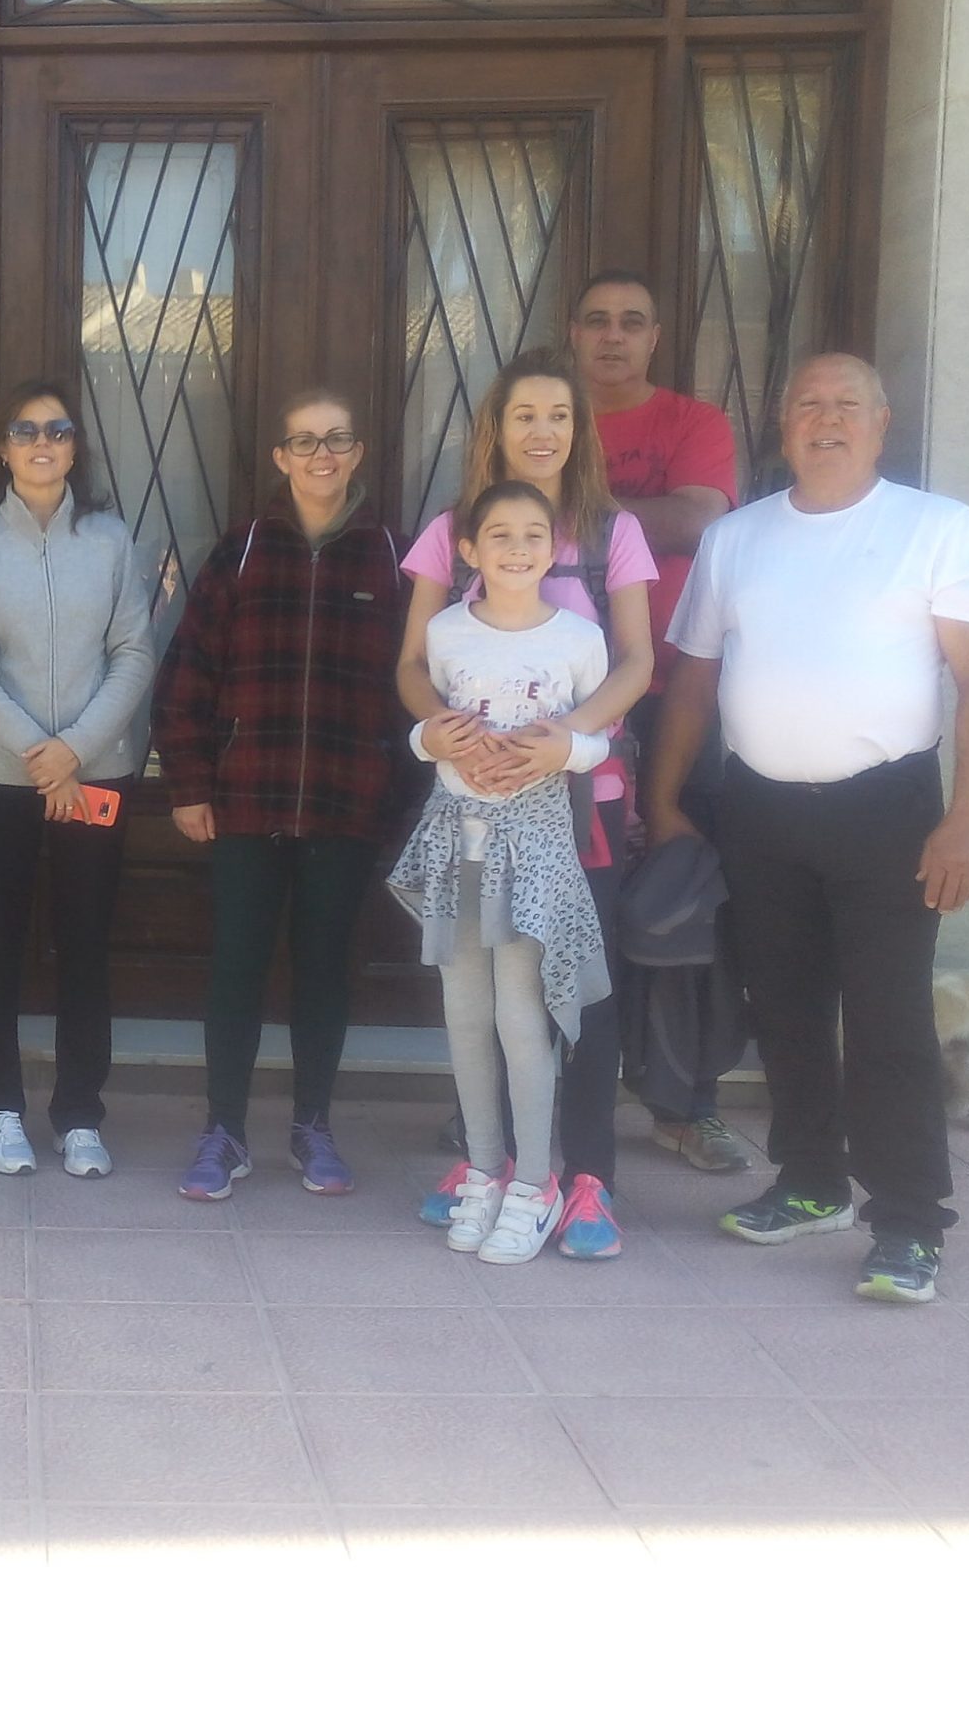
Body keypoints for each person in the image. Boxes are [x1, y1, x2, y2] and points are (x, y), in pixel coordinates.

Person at [647, 353, 969, 1306]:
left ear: (882, 423)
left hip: (888, 813)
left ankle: (909, 1222)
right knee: (785, 1008)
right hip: (758, 809)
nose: (827, 418)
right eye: (807, 403)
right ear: (783, 424)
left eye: (848, 403)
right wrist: (663, 798)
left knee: (890, 1021)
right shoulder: (736, 537)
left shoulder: (935, 527)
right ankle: (811, 1183)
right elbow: (691, 682)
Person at [398, 344, 654, 1259]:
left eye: (559, 415)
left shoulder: (612, 530)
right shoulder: (452, 528)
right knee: (484, 988)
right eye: (524, 415)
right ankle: (494, 1165)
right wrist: (441, 728)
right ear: (495, 430)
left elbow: (637, 659)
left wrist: (563, 738)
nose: (542, 431)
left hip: (579, 798)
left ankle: (585, 1179)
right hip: (475, 797)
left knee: (571, 984)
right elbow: (415, 662)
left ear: (579, 430)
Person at [153, 389, 407, 1203]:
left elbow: (418, 687)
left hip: (347, 800)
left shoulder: (393, 558)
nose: (321, 455)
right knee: (237, 966)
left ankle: (312, 1125)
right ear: (281, 457)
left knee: (325, 968)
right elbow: (187, 676)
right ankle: (223, 1131)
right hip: (246, 799)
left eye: (336, 439)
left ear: (357, 452)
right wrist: (190, 783)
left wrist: (395, 791)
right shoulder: (242, 551)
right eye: (304, 441)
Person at [0, 381, 155, 1178]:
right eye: (26, 430)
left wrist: (76, 750)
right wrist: (42, 754)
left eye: (58, 431)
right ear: (3, 448)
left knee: (85, 945)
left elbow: (133, 652)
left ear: (74, 448)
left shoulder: (109, 541)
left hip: (95, 775)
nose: (42, 443)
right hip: (0, 778)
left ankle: (79, 1115)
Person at [568, 271, 748, 1170]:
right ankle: (540, 1095)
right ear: (574, 333)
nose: (614, 336)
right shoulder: (547, 417)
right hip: (557, 708)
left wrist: (568, 515)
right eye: (597, 321)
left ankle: (683, 1106)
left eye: (631, 322)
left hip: (677, 696)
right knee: (556, 905)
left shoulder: (693, 423)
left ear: (654, 337)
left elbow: (697, 520)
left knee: (680, 905)